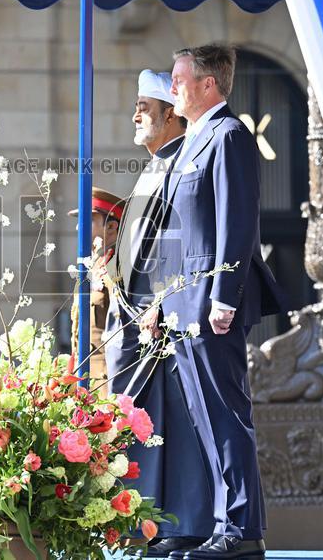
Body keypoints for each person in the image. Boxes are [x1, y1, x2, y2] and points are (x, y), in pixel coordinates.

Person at [159, 45, 286, 559]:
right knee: (203, 415)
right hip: (185, 303)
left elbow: (236, 225)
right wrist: (166, 302)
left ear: (209, 84)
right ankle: (221, 521)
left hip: (212, 304)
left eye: (178, 78)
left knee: (226, 412)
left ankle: (241, 527)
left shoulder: (227, 135)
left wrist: (224, 297)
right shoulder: (193, 138)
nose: (172, 88)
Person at [104, 68, 215, 557]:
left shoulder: (177, 165)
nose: (135, 116)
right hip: (134, 320)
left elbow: (181, 243)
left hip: (156, 322)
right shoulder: (154, 165)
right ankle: (142, 523)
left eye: (145, 109)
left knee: (168, 425)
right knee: (142, 425)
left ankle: (176, 523)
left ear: (171, 115)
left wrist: (161, 301)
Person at [68, 186, 124, 383]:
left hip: (107, 380)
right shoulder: (94, 266)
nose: (78, 227)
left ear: (111, 227)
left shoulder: (118, 268)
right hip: (85, 376)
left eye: (88, 220)